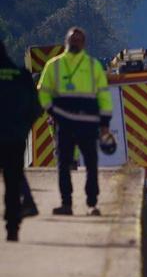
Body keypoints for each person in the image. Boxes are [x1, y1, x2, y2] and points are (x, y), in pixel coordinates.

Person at [36, 26, 115, 217]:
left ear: (84, 43)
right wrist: (53, 111)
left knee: (91, 164)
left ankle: (92, 203)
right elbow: (42, 92)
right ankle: (66, 204)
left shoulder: (93, 66)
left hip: (88, 124)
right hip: (64, 124)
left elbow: (104, 96)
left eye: (78, 40)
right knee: (63, 164)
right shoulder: (54, 65)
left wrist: (105, 124)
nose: (75, 42)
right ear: (66, 41)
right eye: (72, 39)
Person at [0, 39, 42, 242]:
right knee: (13, 179)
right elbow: (36, 108)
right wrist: (23, 129)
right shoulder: (22, 76)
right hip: (15, 138)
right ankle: (13, 225)